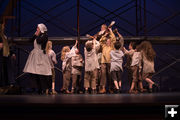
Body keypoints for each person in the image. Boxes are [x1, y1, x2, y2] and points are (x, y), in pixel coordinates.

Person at [23, 23, 52, 94]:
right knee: (34, 72)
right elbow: (30, 40)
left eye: (38, 28)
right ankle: (35, 87)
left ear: (41, 29)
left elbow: (39, 41)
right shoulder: (37, 35)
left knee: (41, 72)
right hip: (35, 55)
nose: (37, 29)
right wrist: (35, 35)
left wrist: (37, 35)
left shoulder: (45, 36)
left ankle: (43, 88)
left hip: (41, 55)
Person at [99, 27, 116, 94]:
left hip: (109, 62)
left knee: (110, 75)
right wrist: (104, 35)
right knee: (103, 74)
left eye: (109, 40)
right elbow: (101, 41)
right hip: (103, 62)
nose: (108, 41)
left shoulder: (112, 46)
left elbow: (114, 39)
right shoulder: (103, 46)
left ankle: (111, 88)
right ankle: (102, 88)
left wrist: (111, 31)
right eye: (107, 40)